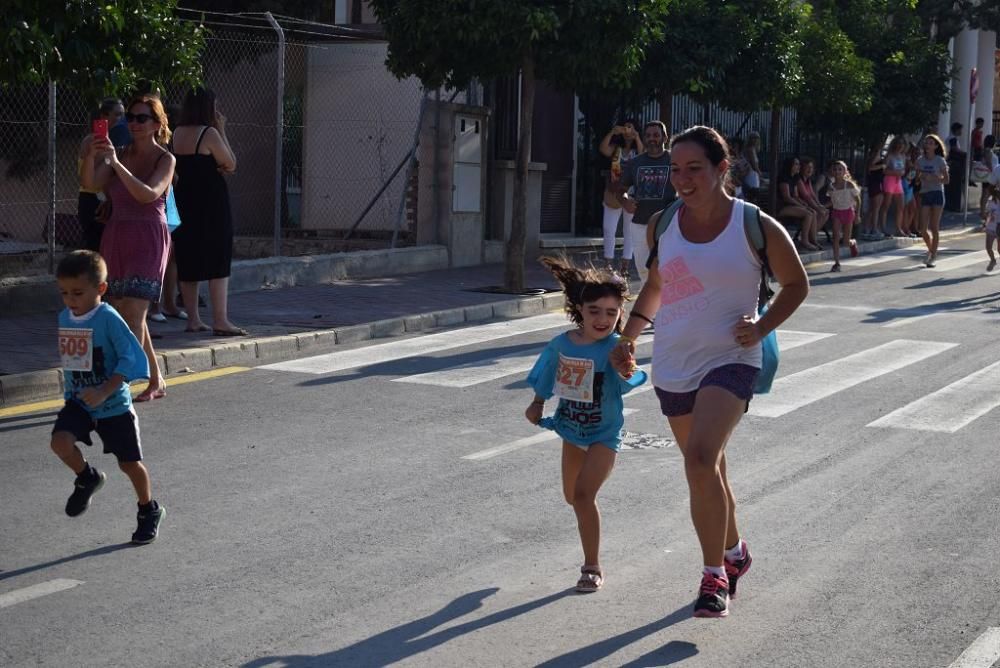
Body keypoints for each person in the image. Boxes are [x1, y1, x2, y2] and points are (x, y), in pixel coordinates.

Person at [610, 126, 809, 618]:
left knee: (699, 461)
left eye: (694, 168)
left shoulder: (753, 225)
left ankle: (713, 576)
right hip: (675, 362)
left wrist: (760, 328)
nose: (683, 178)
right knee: (711, 470)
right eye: (676, 169)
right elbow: (657, 287)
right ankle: (736, 552)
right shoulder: (664, 224)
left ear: (723, 169)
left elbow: (796, 285)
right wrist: (628, 337)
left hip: (732, 359)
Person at [525, 256, 647, 593]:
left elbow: (630, 379)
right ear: (580, 309)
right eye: (595, 310)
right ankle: (587, 528)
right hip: (570, 429)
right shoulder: (563, 344)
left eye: (612, 312)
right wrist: (537, 403)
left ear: (620, 313)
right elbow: (547, 373)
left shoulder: (616, 348)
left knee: (583, 495)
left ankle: (591, 566)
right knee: (571, 496)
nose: (603, 319)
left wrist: (625, 369)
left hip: (603, 435)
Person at [50, 250, 165, 544]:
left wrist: (104, 390)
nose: (70, 300)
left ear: (100, 289)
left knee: (129, 464)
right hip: (81, 402)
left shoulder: (109, 318)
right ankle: (87, 476)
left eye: (77, 292)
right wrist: (71, 396)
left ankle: (148, 510)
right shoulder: (65, 317)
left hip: (113, 404)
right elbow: (73, 362)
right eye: (64, 292)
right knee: (60, 442)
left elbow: (130, 358)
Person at [80, 94, 174, 402]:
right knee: (128, 313)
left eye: (141, 118)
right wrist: (90, 156)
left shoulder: (165, 159)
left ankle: (116, 386)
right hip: (117, 236)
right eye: (130, 117)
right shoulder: (118, 153)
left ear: (157, 124)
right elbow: (92, 184)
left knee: (133, 313)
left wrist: (116, 164)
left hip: (148, 238)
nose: (133, 123)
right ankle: (156, 378)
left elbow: (147, 194)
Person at [170, 87, 246, 336]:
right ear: (207, 107)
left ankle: (193, 319)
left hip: (185, 200)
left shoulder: (177, 133)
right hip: (211, 203)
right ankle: (220, 319)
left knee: (188, 258)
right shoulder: (209, 133)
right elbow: (231, 163)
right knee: (218, 258)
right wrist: (222, 128)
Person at [618, 120, 677, 282]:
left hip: (668, 225)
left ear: (665, 137)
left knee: (669, 270)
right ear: (644, 138)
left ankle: (668, 306)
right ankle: (651, 307)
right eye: (649, 135)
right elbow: (619, 191)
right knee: (644, 272)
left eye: (656, 135)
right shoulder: (635, 163)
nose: (652, 139)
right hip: (640, 224)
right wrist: (625, 202)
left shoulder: (676, 160)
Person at [78, 98, 125, 252]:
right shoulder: (95, 140)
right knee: (97, 252)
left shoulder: (110, 140)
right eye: (117, 114)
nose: (121, 119)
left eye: (123, 115)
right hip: (94, 200)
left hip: (100, 199)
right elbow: (95, 179)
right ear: (104, 116)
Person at [599, 119, 643, 275]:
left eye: (631, 128)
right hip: (614, 192)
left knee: (628, 230)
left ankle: (625, 265)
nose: (628, 131)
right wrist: (613, 132)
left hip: (631, 194)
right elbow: (603, 149)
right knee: (608, 228)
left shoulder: (638, 151)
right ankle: (608, 263)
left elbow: (644, 154)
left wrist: (636, 137)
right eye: (626, 128)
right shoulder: (617, 148)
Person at [916, 134, 949, 268]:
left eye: (931, 143)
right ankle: (931, 250)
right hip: (925, 193)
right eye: (927, 143)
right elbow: (916, 178)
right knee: (922, 229)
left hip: (937, 193)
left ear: (936, 146)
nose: (928, 145)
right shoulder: (920, 160)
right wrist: (921, 176)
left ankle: (933, 255)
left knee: (934, 227)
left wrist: (937, 178)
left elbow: (946, 180)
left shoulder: (940, 160)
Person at [776, 156, 819, 251]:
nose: (799, 166)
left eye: (799, 164)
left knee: (813, 212)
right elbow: (787, 197)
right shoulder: (784, 177)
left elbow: (795, 196)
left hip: (791, 205)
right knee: (808, 214)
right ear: (789, 165)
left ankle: (813, 240)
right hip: (781, 206)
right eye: (796, 164)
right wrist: (800, 205)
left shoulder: (794, 178)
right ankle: (804, 241)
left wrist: (804, 204)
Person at [827, 161, 861, 272]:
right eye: (835, 169)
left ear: (844, 171)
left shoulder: (849, 185)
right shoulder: (831, 187)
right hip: (837, 212)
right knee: (836, 237)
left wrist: (857, 215)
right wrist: (822, 206)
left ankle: (852, 243)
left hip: (848, 212)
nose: (837, 172)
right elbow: (833, 201)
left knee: (845, 241)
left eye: (840, 169)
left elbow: (858, 200)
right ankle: (837, 263)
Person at [796, 158, 829, 247]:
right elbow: (806, 196)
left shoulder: (808, 180)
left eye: (811, 167)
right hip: (801, 204)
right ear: (802, 168)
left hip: (808, 204)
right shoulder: (799, 179)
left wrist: (819, 205)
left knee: (825, 212)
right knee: (815, 212)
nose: (810, 170)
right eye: (807, 167)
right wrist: (817, 207)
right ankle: (809, 239)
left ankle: (812, 236)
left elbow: (813, 195)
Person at [879, 137, 907, 237]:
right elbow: (884, 170)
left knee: (901, 206)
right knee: (886, 204)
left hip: (898, 181)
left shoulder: (903, 156)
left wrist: (902, 173)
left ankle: (898, 228)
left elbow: (903, 169)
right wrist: (895, 172)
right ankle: (883, 227)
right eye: (898, 144)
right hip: (889, 180)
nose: (900, 146)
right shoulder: (890, 156)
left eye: (902, 144)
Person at [861, 141, 886, 240]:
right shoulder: (875, 155)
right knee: (875, 208)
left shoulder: (875, 154)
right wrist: (882, 166)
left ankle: (867, 228)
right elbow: (870, 168)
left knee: (873, 208)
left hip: (876, 183)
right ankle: (873, 229)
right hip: (876, 184)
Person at [741, 131, 763, 202]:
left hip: (752, 173)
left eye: (757, 138)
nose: (755, 140)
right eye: (753, 138)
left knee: (752, 192)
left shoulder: (752, 149)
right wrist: (759, 173)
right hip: (751, 173)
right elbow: (754, 164)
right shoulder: (750, 150)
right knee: (753, 192)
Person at [984, 185, 1000, 271]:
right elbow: (987, 213)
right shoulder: (991, 201)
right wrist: (988, 216)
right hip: (991, 226)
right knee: (988, 247)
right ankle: (993, 260)